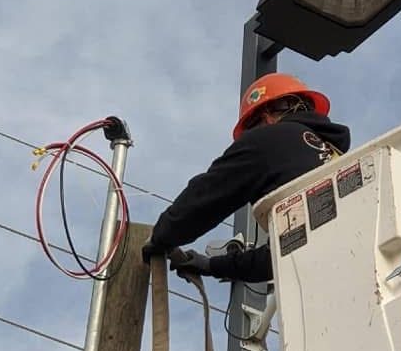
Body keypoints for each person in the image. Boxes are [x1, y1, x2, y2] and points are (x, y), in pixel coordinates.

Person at [142, 73, 351, 282]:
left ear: (266, 117)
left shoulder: (269, 139)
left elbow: (208, 194)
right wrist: (211, 265)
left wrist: (161, 236)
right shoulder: (339, 162)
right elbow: (278, 257)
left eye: (251, 128)